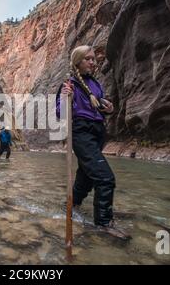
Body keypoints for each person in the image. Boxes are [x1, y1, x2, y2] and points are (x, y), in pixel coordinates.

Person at [56, 45, 130, 240]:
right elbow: (60, 113)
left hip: (98, 133)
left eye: (93, 59)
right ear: (78, 61)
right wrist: (65, 98)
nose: (92, 62)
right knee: (105, 178)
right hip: (81, 133)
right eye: (88, 59)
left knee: (87, 175)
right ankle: (104, 223)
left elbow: (100, 106)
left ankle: (71, 205)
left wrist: (109, 108)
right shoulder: (68, 84)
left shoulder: (96, 84)